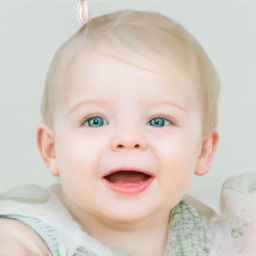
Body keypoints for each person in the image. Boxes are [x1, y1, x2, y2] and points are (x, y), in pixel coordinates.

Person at [0, 10, 254, 256]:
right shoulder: (31, 234)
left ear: (203, 151)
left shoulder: (220, 238)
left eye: (158, 121)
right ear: (51, 150)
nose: (128, 139)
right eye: (95, 121)